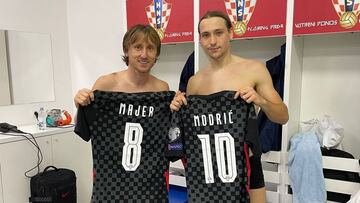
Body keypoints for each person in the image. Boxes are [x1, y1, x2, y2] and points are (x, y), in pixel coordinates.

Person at [170, 11, 289, 203]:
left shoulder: (254, 69)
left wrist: (260, 100)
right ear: (200, 40)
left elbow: (283, 116)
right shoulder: (195, 82)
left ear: (230, 33)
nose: (212, 41)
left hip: (247, 167)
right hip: (206, 171)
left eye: (218, 33)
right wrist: (176, 106)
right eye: (206, 35)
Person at [74, 24, 173, 202]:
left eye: (150, 48)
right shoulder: (106, 84)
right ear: (126, 50)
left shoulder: (162, 89)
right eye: (138, 47)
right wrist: (80, 104)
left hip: (150, 186)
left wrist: (177, 106)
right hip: (111, 185)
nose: (144, 54)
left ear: (157, 54)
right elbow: (85, 128)